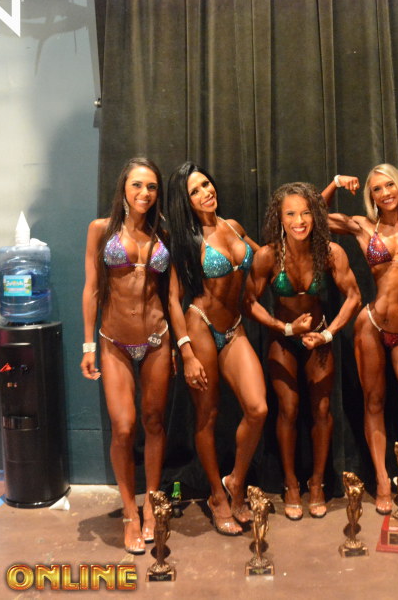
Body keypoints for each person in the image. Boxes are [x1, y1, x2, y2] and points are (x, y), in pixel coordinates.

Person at [81, 157, 187, 554]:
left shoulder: (163, 233)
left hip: (157, 339)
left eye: (152, 187)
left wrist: (181, 344)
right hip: (114, 342)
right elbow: (92, 288)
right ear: (123, 189)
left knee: (154, 422)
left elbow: (171, 296)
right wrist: (88, 345)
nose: (145, 193)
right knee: (124, 427)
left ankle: (152, 503)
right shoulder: (100, 230)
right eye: (137, 185)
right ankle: (129, 511)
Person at [323, 164, 398, 514]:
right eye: (377, 189)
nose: (385, 193)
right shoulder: (364, 227)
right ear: (370, 196)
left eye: (389, 185)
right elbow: (313, 217)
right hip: (372, 326)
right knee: (373, 403)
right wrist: (334, 184)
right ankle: (381, 481)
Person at [244, 182, 360, 520]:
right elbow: (248, 301)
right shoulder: (268, 255)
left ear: (315, 216)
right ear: (279, 218)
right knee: (288, 409)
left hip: (318, 337)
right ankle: (291, 483)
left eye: (306, 213)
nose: (299, 221)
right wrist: (284, 328)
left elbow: (354, 296)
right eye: (291, 214)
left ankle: (318, 482)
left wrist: (327, 334)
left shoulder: (330, 252)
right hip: (284, 338)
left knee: (322, 410)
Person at [165, 161, 266, 536]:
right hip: (201, 327)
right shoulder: (186, 242)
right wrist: (186, 352)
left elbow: (268, 257)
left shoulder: (234, 227)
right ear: (186, 201)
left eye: (206, 184)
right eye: (195, 191)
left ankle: (235, 481)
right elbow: (173, 299)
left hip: (235, 328)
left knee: (257, 408)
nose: (205, 192)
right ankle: (217, 496)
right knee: (206, 417)